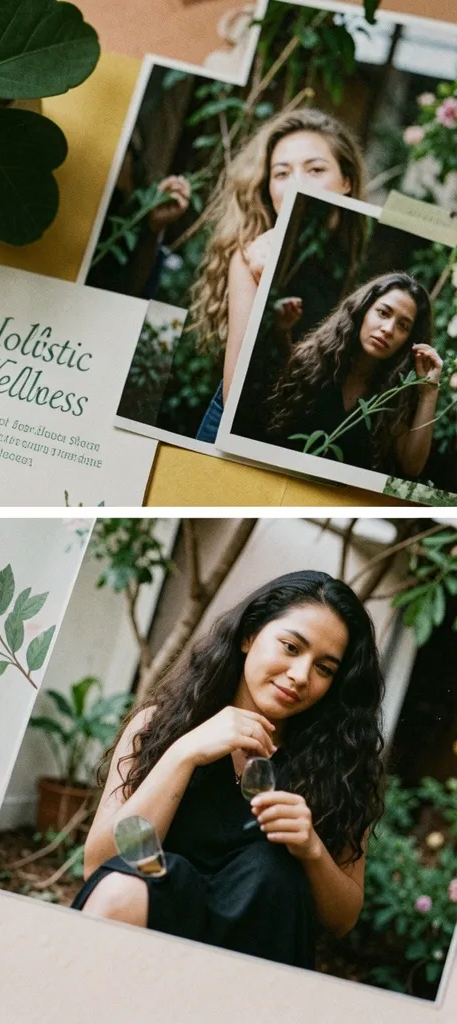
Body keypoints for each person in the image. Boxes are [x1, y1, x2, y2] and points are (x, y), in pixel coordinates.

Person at [71, 571, 385, 970]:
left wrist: (311, 849)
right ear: (249, 635)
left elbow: (341, 920)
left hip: (256, 954)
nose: (301, 675)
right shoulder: (159, 726)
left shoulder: (341, 766)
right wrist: (183, 754)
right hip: (149, 930)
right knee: (129, 885)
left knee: (270, 872)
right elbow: (100, 866)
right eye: (290, 647)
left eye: (324, 668)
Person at [191, 109, 368, 442]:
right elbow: (238, 401)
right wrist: (265, 289)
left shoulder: (356, 259)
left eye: (315, 169)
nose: (297, 183)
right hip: (238, 435)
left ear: (346, 181)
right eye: (282, 173)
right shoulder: (253, 256)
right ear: (268, 186)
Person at [266, 272, 442, 477]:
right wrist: (280, 333)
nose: (388, 329)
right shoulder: (315, 359)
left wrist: (429, 392)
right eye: (384, 313)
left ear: (409, 340)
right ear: (364, 309)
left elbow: (411, 469)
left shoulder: (394, 398)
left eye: (403, 326)